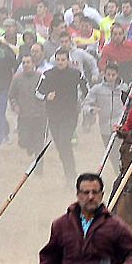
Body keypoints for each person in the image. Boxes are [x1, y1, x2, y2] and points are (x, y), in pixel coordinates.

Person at [35, 47, 90, 181]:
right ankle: (69, 171)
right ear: (55, 60)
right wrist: (46, 96)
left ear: (68, 60)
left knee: (64, 142)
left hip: (70, 115)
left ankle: (71, 176)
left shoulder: (76, 74)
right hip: (53, 115)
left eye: (63, 60)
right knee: (61, 146)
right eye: (58, 60)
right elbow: (37, 92)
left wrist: (80, 100)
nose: (60, 62)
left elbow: (86, 89)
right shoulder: (47, 74)